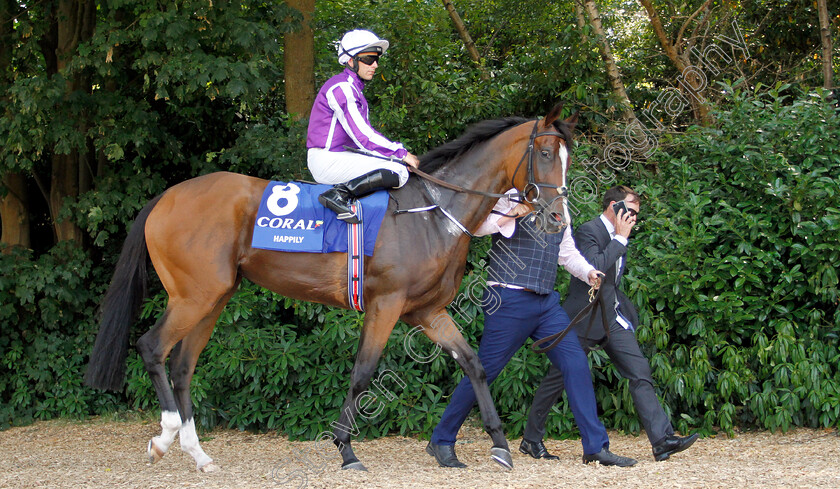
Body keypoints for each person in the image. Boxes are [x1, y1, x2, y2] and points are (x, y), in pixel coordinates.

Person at [426, 191, 637, 468]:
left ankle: (596, 447)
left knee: (575, 363)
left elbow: (567, 252)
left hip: (546, 304)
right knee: (483, 372)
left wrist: (587, 272)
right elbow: (477, 228)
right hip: (508, 300)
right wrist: (513, 212)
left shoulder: (560, 204)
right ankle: (441, 439)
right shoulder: (508, 197)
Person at [522, 185, 699, 462]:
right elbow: (596, 269)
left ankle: (662, 440)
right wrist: (620, 238)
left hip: (610, 318)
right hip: (582, 319)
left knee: (639, 370)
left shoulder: (620, 234)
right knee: (557, 379)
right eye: (629, 210)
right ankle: (531, 439)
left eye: (636, 214)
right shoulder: (589, 231)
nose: (633, 218)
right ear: (614, 206)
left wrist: (620, 238)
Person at [306, 29, 420, 223]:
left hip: (337, 155)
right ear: (351, 61)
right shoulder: (342, 88)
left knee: (396, 166)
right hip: (327, 160)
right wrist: (400, 153)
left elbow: (362, 141)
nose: (375, 65)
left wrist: (396, 157)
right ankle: (339, 195)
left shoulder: (352, 88)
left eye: (376, 59)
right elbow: (363, 137)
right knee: (399, 172)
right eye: (368, 59)